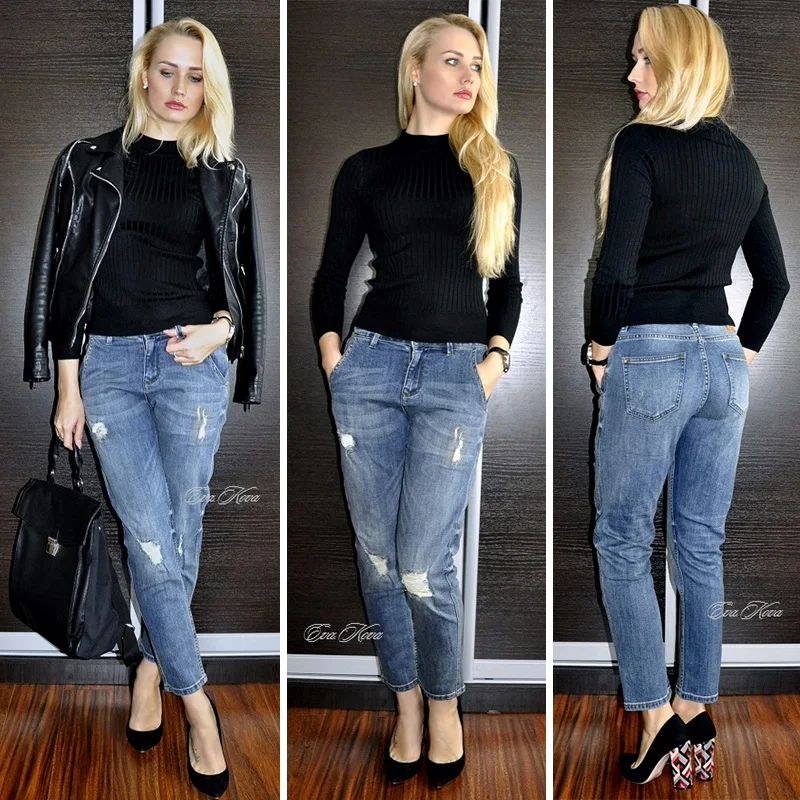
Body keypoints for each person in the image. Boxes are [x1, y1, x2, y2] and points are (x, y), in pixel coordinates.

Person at [22, 18, 266, 798]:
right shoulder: (85, 161)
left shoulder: (226, 174)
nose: (179, 88)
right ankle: (198, 705)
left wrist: (222, 331)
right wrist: (66, 384)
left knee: (178, 532)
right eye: (167, 71)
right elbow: (60, 273)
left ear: (208, 86)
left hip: (192, 367)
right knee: (151, 537)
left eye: (195, 76)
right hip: (111, 369)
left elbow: (242, 284)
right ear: (142, 74)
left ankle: (152, 671)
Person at [311, 13, 522, 790]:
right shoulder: (365, 169)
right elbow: (330, 277)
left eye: (477, 64)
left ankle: (444, 704)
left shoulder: (495, 166)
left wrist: (493, 363)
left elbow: (509, 287)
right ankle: (404, 704)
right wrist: (335, 362)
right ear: (415, 70)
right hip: (369, 371)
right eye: (453, 60)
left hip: (455, 377)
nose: (469, 76)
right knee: (377, 559)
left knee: (424, 562)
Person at [584, 5, 789, 790]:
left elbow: (616, 270)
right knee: (700, 541)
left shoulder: (642, 145)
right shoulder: (741, 159)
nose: (631, 74)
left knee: (622, 539)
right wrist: (736, 353)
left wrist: (600, 350)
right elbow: (773, 282)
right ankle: (697, 704)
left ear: (680, 65)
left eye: (645, 60)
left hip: (651, 351)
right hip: (721, 364)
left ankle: (653, 717)